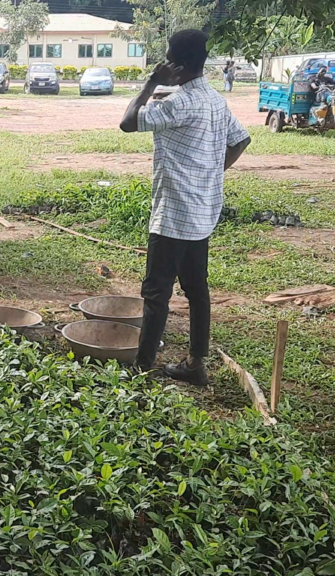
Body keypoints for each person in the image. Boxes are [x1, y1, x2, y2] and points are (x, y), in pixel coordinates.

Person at [118, 29, 251, 386]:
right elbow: (241, 139)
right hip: (203, 212)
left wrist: (150, 83)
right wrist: (210, 171)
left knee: (156, 292)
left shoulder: (177, 104)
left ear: (175, 65)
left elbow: (127, 122)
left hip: (174, 215)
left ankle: (142, 368)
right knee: (196, 289)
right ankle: (195, 363)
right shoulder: (213, 99)